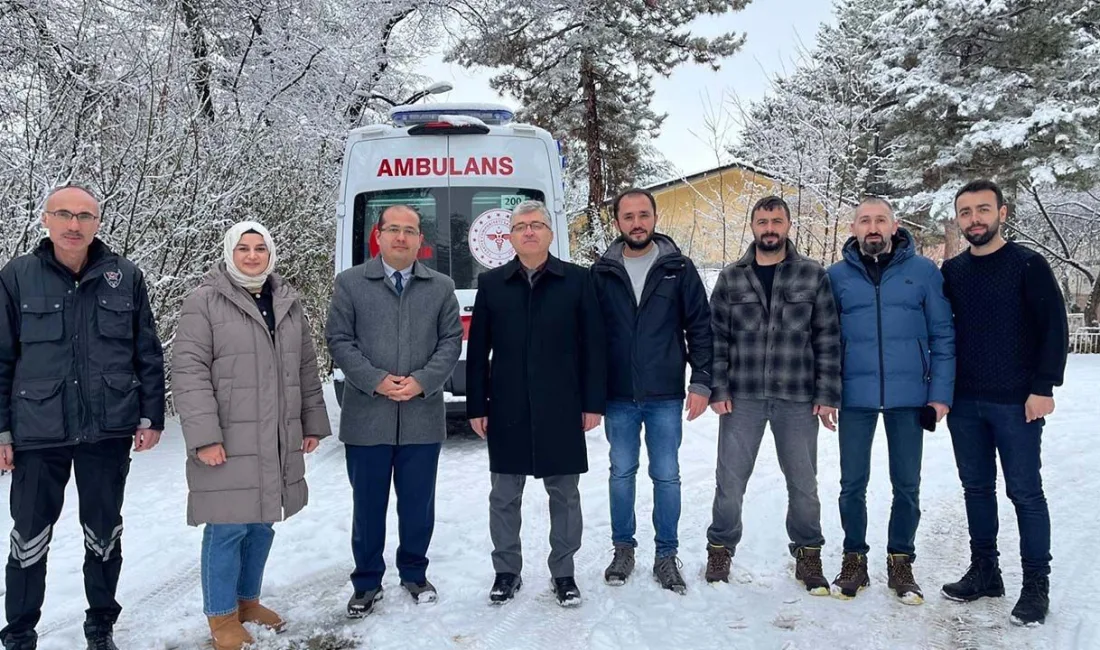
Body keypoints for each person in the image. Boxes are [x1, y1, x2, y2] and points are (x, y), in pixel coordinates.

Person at [0, 185, 166, 650]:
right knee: (29, 538)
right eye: (64, 215)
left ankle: (101, 626)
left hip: (106, 430)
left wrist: (151, 415)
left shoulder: (125, 276)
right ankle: (19, 634)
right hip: (37, 432)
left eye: (85, 216)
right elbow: (1, 359)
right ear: (46, 220)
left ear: (98, 223)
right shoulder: (16, 277)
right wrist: (1, 430)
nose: (74, 225)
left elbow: (146, 351)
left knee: (103, 533)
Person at [172, 222, 331, 650]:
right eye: (243, 248)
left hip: (276, 435)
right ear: (229, 253)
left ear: (271, 253)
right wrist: (204, 436)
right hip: (227, 435)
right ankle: (221, 616)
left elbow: (305, 370)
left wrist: (312, 422)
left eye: (260, 248)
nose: (252, 255)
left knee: (262, 522)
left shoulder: (287, 302)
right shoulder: (203, 302)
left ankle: (247, 602)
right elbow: (188, 373)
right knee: (227, 525)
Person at [939, 180, 1068, 626]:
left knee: (1025, 493)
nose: (974, 219)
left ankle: (1036, 584)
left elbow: (1054, 327)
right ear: (958, 218)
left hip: (1017, 403)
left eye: (982, 210)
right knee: (976, 490)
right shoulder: (951, 272)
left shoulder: (1028, 265)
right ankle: (985, 571)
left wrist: (1044, 387)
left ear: (1002, 213)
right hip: (965, 403)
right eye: (966, 212)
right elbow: (942, 333)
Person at [466, 200, 606, 607]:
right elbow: (479, 353)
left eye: (537, 225)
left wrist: (593, 402)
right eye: (521, 226)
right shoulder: (492, 284)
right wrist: (478, 405)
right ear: (509, 237)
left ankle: (564, 573)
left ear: (549, 233)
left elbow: (594, 347)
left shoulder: (578, 281)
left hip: (561, 405)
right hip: (507, 407)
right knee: (504, 496)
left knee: (564, 495)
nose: (529, 231)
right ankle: (506, 571)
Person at [326, 205, 462, 617]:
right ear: (379, 237)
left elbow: (451, 341)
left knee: (418, 504)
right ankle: (366, 582)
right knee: (367, 507)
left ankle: (414, 573)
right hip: (367, 416)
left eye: (410, 231)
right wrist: (375, 380)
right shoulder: (350, 284)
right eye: (394, 230)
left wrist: (422, 380)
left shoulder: (440, 287)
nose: (401, 237)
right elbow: (339, 339)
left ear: (421, 240)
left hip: (421, 415)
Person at [704, 195, 841, 594]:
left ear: (788, 225)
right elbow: (716, 339)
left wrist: (827, 393)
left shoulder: (813, 275)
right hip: (742, 397)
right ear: (752, 226)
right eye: (762, 221)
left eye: (776, 221)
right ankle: (720, 547)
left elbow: (829, 339)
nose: (769, 228)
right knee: (729, 481)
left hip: (797, 396)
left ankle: (808, 552)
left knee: (803, 482)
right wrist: (718, 387)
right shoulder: (732, 277)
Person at [826, 197, 955, 604]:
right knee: (852, 484)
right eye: (864, 220)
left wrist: (939, 395)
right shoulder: (836, 277)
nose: (873, 227)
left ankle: (901, 560)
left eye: (880, 219)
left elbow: (943, 337)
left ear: (895, 225)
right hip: (854, 398)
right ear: (854, 228)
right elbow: (824, 342)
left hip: (909, 398)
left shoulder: (923, 273)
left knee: (907, 485)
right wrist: (827, 393)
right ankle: (854, 558)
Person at [590, 188, 712, 594]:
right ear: (617, 222)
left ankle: (666, 555)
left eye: (643, 214)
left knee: (666, 475)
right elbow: (587, 337)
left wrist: (701, 380)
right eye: (628, 216)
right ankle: (623, 549)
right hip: (618, 394)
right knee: (621, 474)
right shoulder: (602, 271)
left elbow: (700, 327)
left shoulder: (678, 268)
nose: (637, 222)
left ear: (655, 218)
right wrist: (589, 393)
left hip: (664, 394)